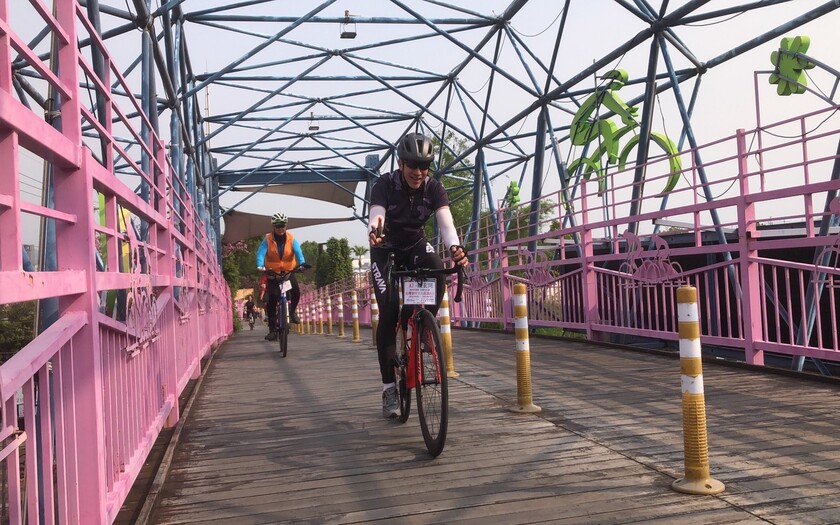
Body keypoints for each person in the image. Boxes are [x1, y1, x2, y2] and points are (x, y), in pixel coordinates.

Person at [368, 132, 468, 419]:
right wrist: (374, 231)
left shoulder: (434, 188)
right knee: (387, 314)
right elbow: (377, 215)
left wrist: (455, 248)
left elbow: (446, 225)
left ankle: (421, 325)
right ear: (401, 163)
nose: (419, 172)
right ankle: (389, 388)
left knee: (437, 267)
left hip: (414, 244)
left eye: (425, 166)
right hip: (384, 247)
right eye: (413, 165)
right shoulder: (385, 184)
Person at [256, 212, 305, 341]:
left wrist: (302, 264)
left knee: (296, 292)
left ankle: (292, 312)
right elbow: (261, 253)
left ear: (285, 226)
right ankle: (272, 330)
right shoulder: (267, 239)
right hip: (273, 273)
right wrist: (260, 265)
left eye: (282, 225)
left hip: (288, 272)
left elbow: (299, 253)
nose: (280, 228)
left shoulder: (291, 239)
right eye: (277, 226)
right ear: (273, 226)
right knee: (271, 300)